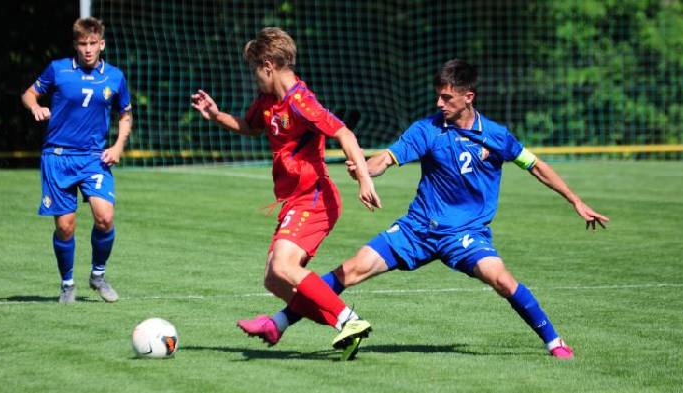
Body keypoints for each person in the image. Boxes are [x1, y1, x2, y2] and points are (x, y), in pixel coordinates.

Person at [239, 59, 610, 360]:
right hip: (417, 230)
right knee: (349, 270)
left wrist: (575, 201)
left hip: (465, 234)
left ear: (469, 97)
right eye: (438, 96)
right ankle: (278, 324)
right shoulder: (427, 130)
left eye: (447, 98)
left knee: (502, 280)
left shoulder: (496, 135)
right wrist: (365, 169)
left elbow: (537, 166)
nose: (439, 104)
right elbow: (388, 157)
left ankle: (554, 341)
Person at [190, 27, 381, 361]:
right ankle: (295, 325)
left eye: (255, 71)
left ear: (268, 65)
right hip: (294, 200)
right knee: (274, 281)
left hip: (315, 196)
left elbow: (344, 133)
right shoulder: (268, 101)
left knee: (283, 265)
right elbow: (250, 127)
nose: (254, 79)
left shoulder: (300, 102)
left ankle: (349, 320)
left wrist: (364, 179)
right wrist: (216, 115)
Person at [21, 17, 132, 304]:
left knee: (105, 218)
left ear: (102, 44)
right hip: (58, 158)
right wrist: (36, 107)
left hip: (94, 159)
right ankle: (67, 284)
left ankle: (98, 275)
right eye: (82, 44)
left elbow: (125, 114)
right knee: (65, 226)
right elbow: (29, 94)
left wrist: (118, 146)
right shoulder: (58, 70)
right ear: (75, 45)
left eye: (93, 44)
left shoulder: (115, 77)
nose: (87, 49)